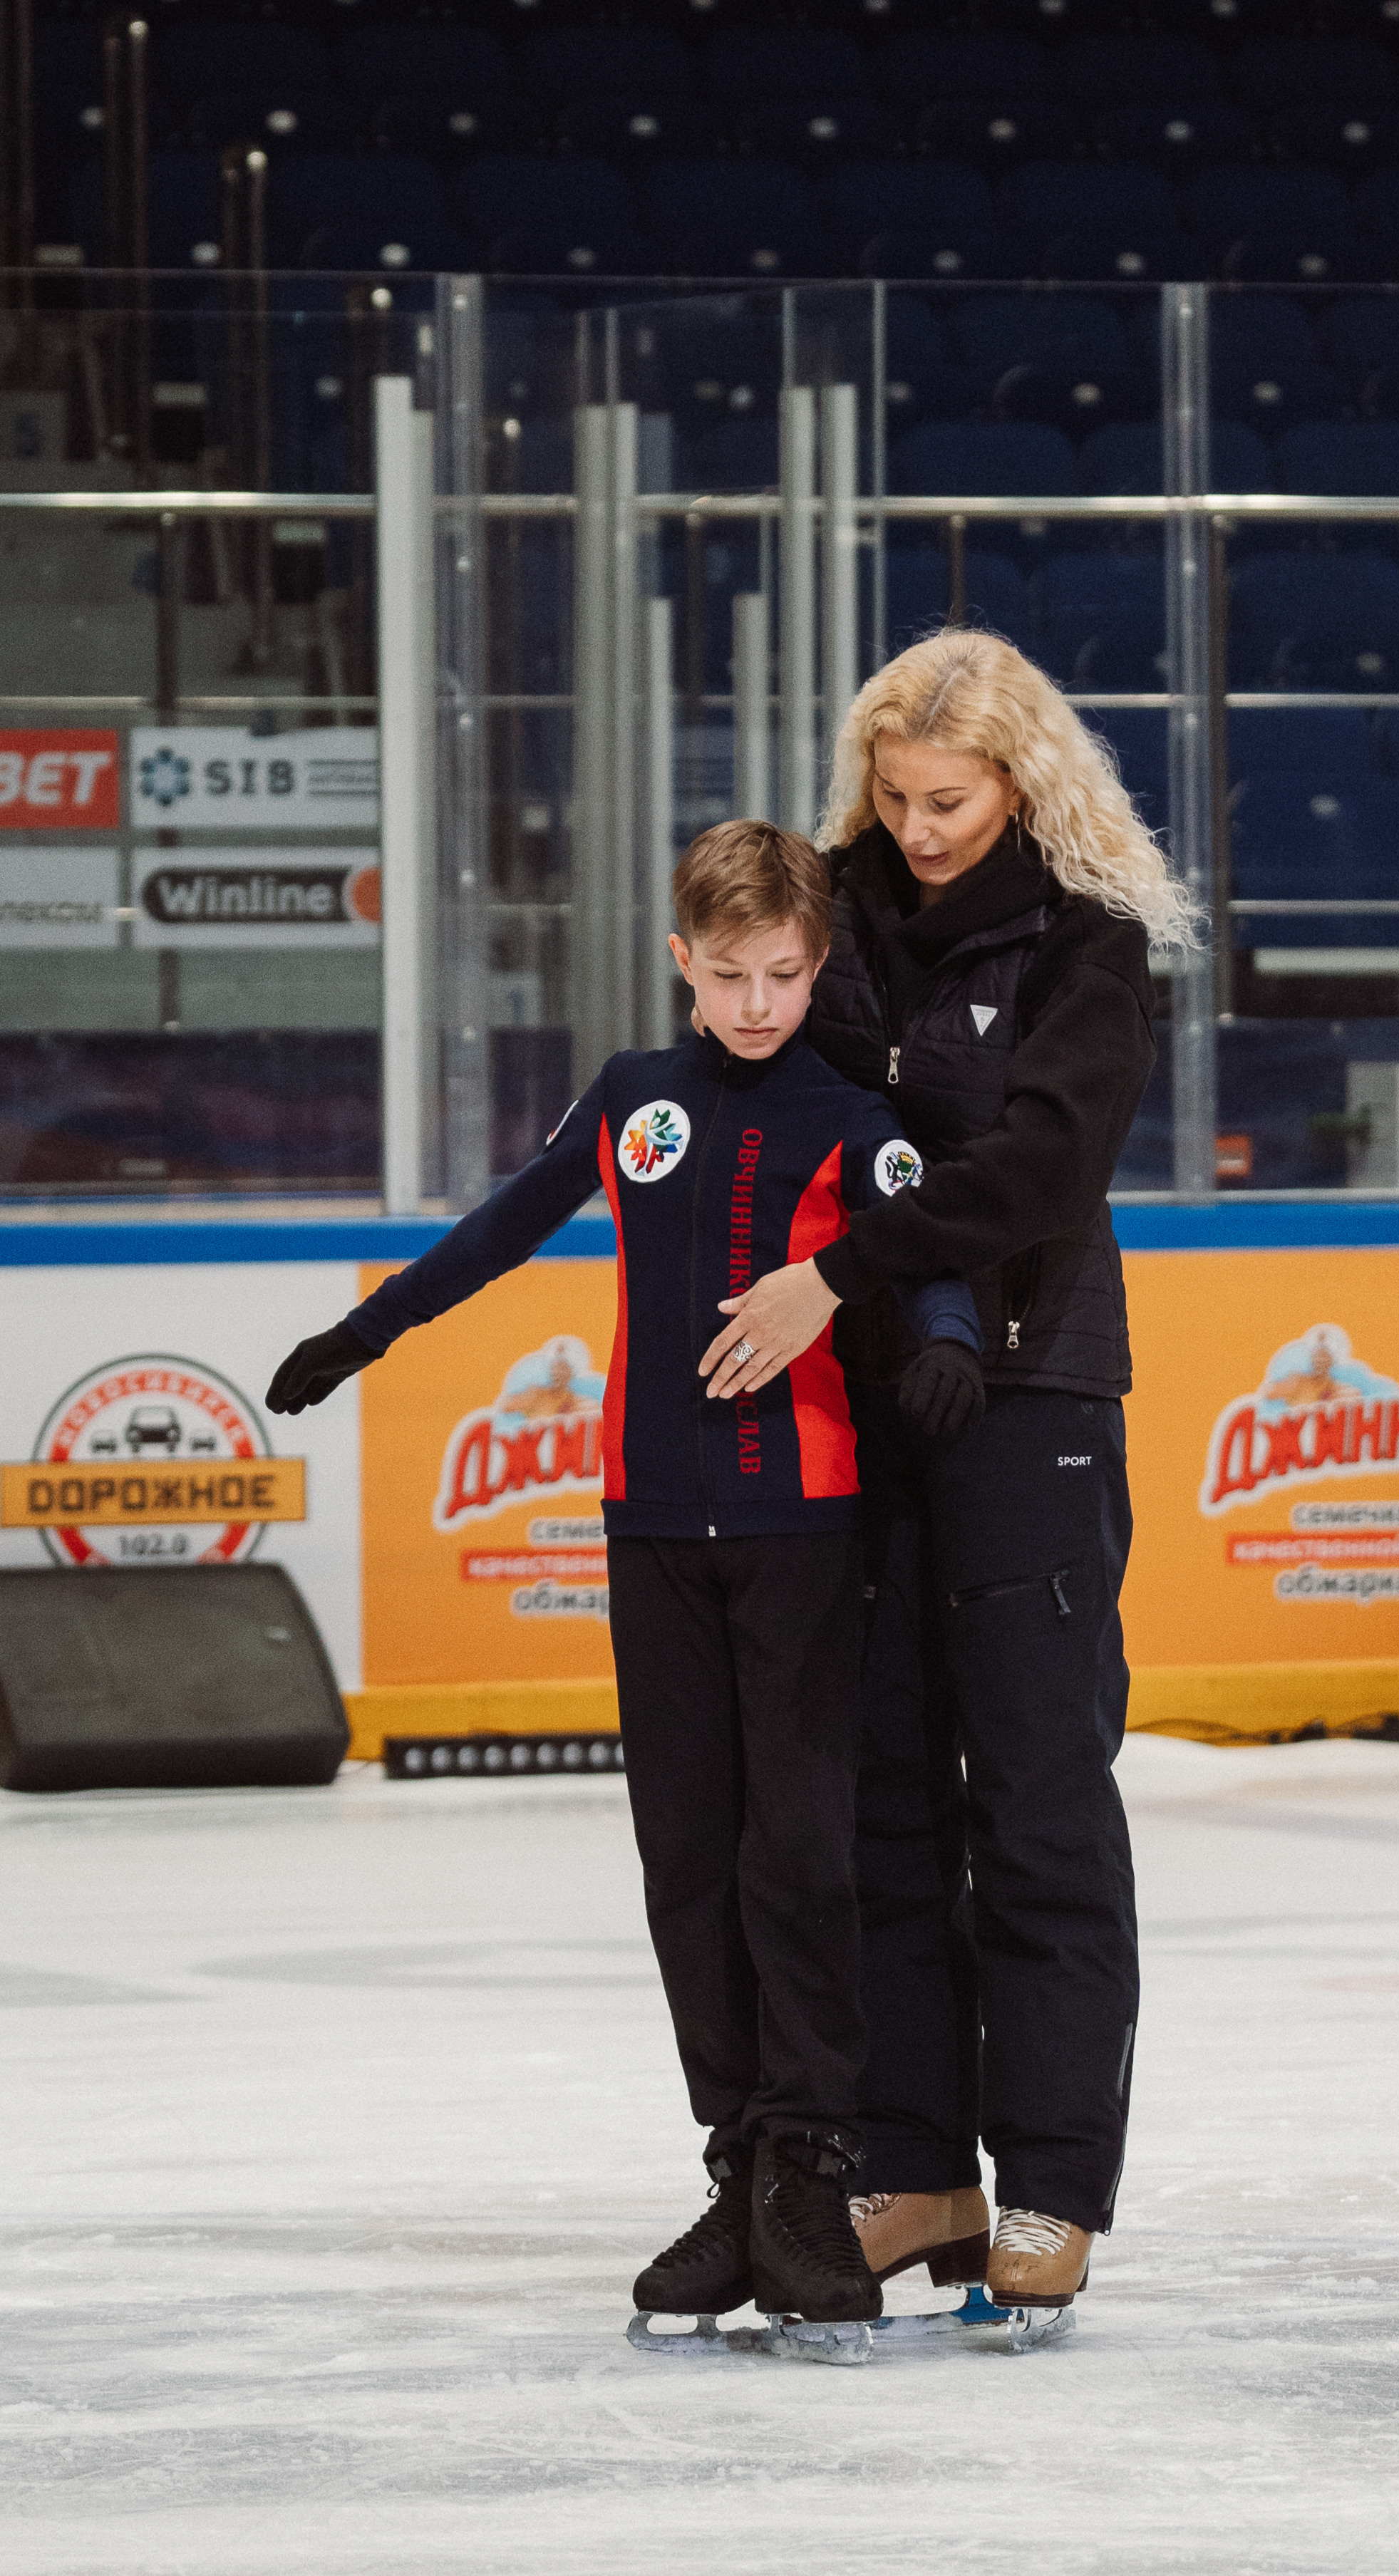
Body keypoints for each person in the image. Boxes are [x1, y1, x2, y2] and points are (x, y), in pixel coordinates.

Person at [265, 821, 981, 2336]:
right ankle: (739, 2166)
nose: (754, 1003)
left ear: (817, 962)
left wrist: (948, 1353)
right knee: (686, 1858)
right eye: (726, 975)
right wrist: (367, 1330)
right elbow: (497, 1231)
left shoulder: (858, 1117)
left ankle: (811, 2164)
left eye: (784, 974)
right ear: (681, 961)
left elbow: (924, 1256)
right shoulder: (631, 1099)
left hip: (802, 1521)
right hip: (649, 1522)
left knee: (800, 1850)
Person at [698, 633, 1195, 2314]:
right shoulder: (829, 913)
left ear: (1019, 780)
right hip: (853, 1413)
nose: (918, 828)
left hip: (1031, 1394)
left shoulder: (1083, 938)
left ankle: (1051, 2182)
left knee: (1038, 1791)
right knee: (877, 1800)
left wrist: (844, 1272)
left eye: (951, 798)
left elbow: (1038, 1164)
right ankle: (916, 2172)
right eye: (897, 797)